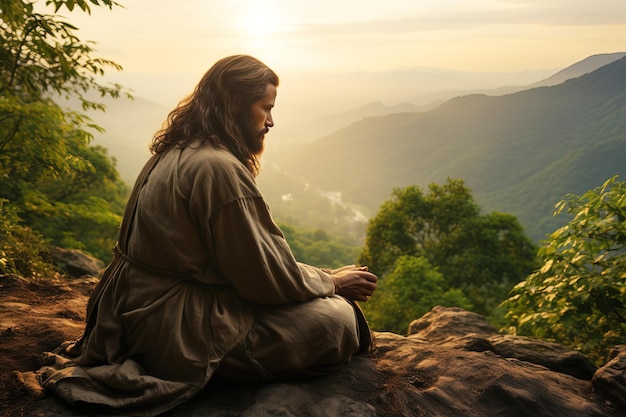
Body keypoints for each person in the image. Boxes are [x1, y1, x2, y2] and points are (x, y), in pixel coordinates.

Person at [27, 55, 377, 416]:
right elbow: (263, 280)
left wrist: (322, 279)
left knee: (319, 303)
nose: (271, 122)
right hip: (172, 328)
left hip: (127, 316)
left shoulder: (173, 152)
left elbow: (251, 263)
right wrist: (331, 284)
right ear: (235, 106)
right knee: (335, 319)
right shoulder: (218, 169)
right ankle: (211, 368)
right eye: (265, 108)